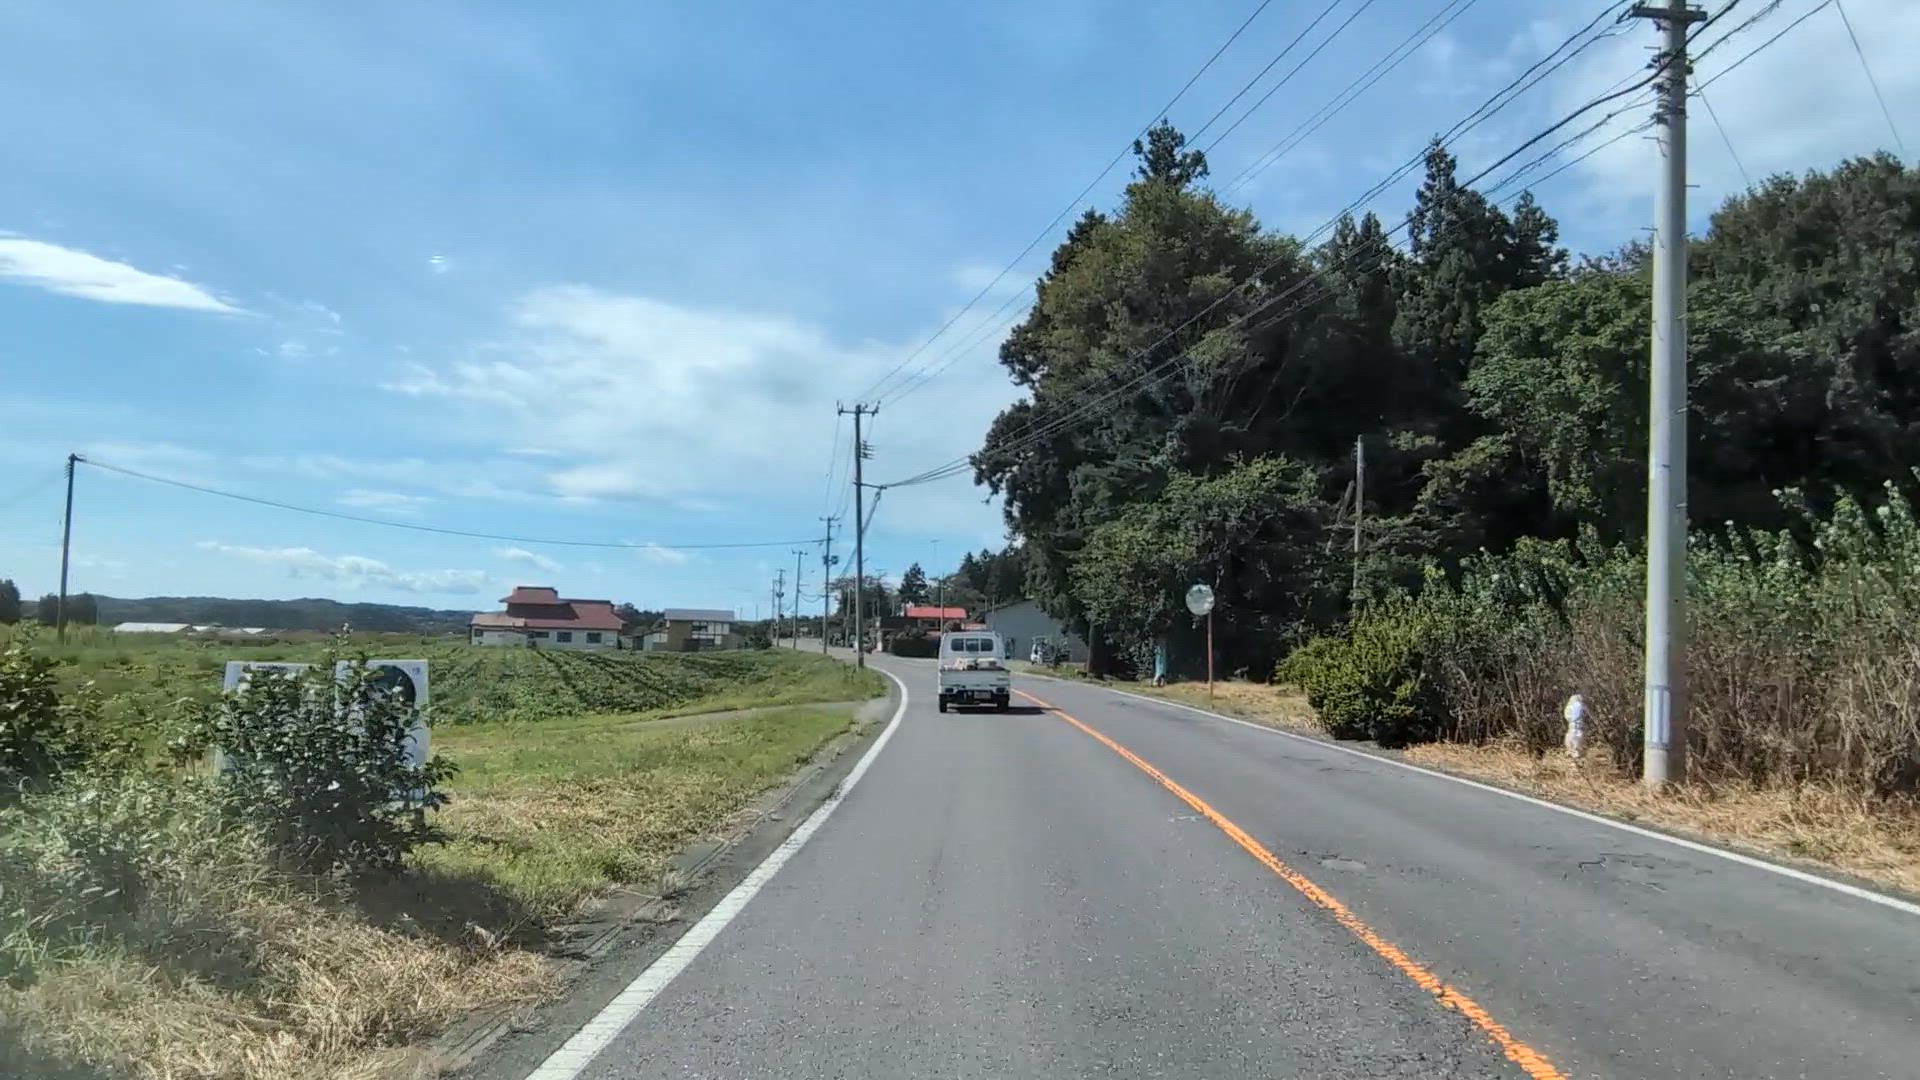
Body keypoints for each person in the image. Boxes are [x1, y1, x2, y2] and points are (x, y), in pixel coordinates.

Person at [1563, 693, 1587, 761]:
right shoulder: (1579, 704)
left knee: (1572, 749)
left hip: (1572, 730)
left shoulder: (1570, 705)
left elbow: (1568, 717)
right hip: (1577, 730)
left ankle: (1576, 764)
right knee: (1576, 750)